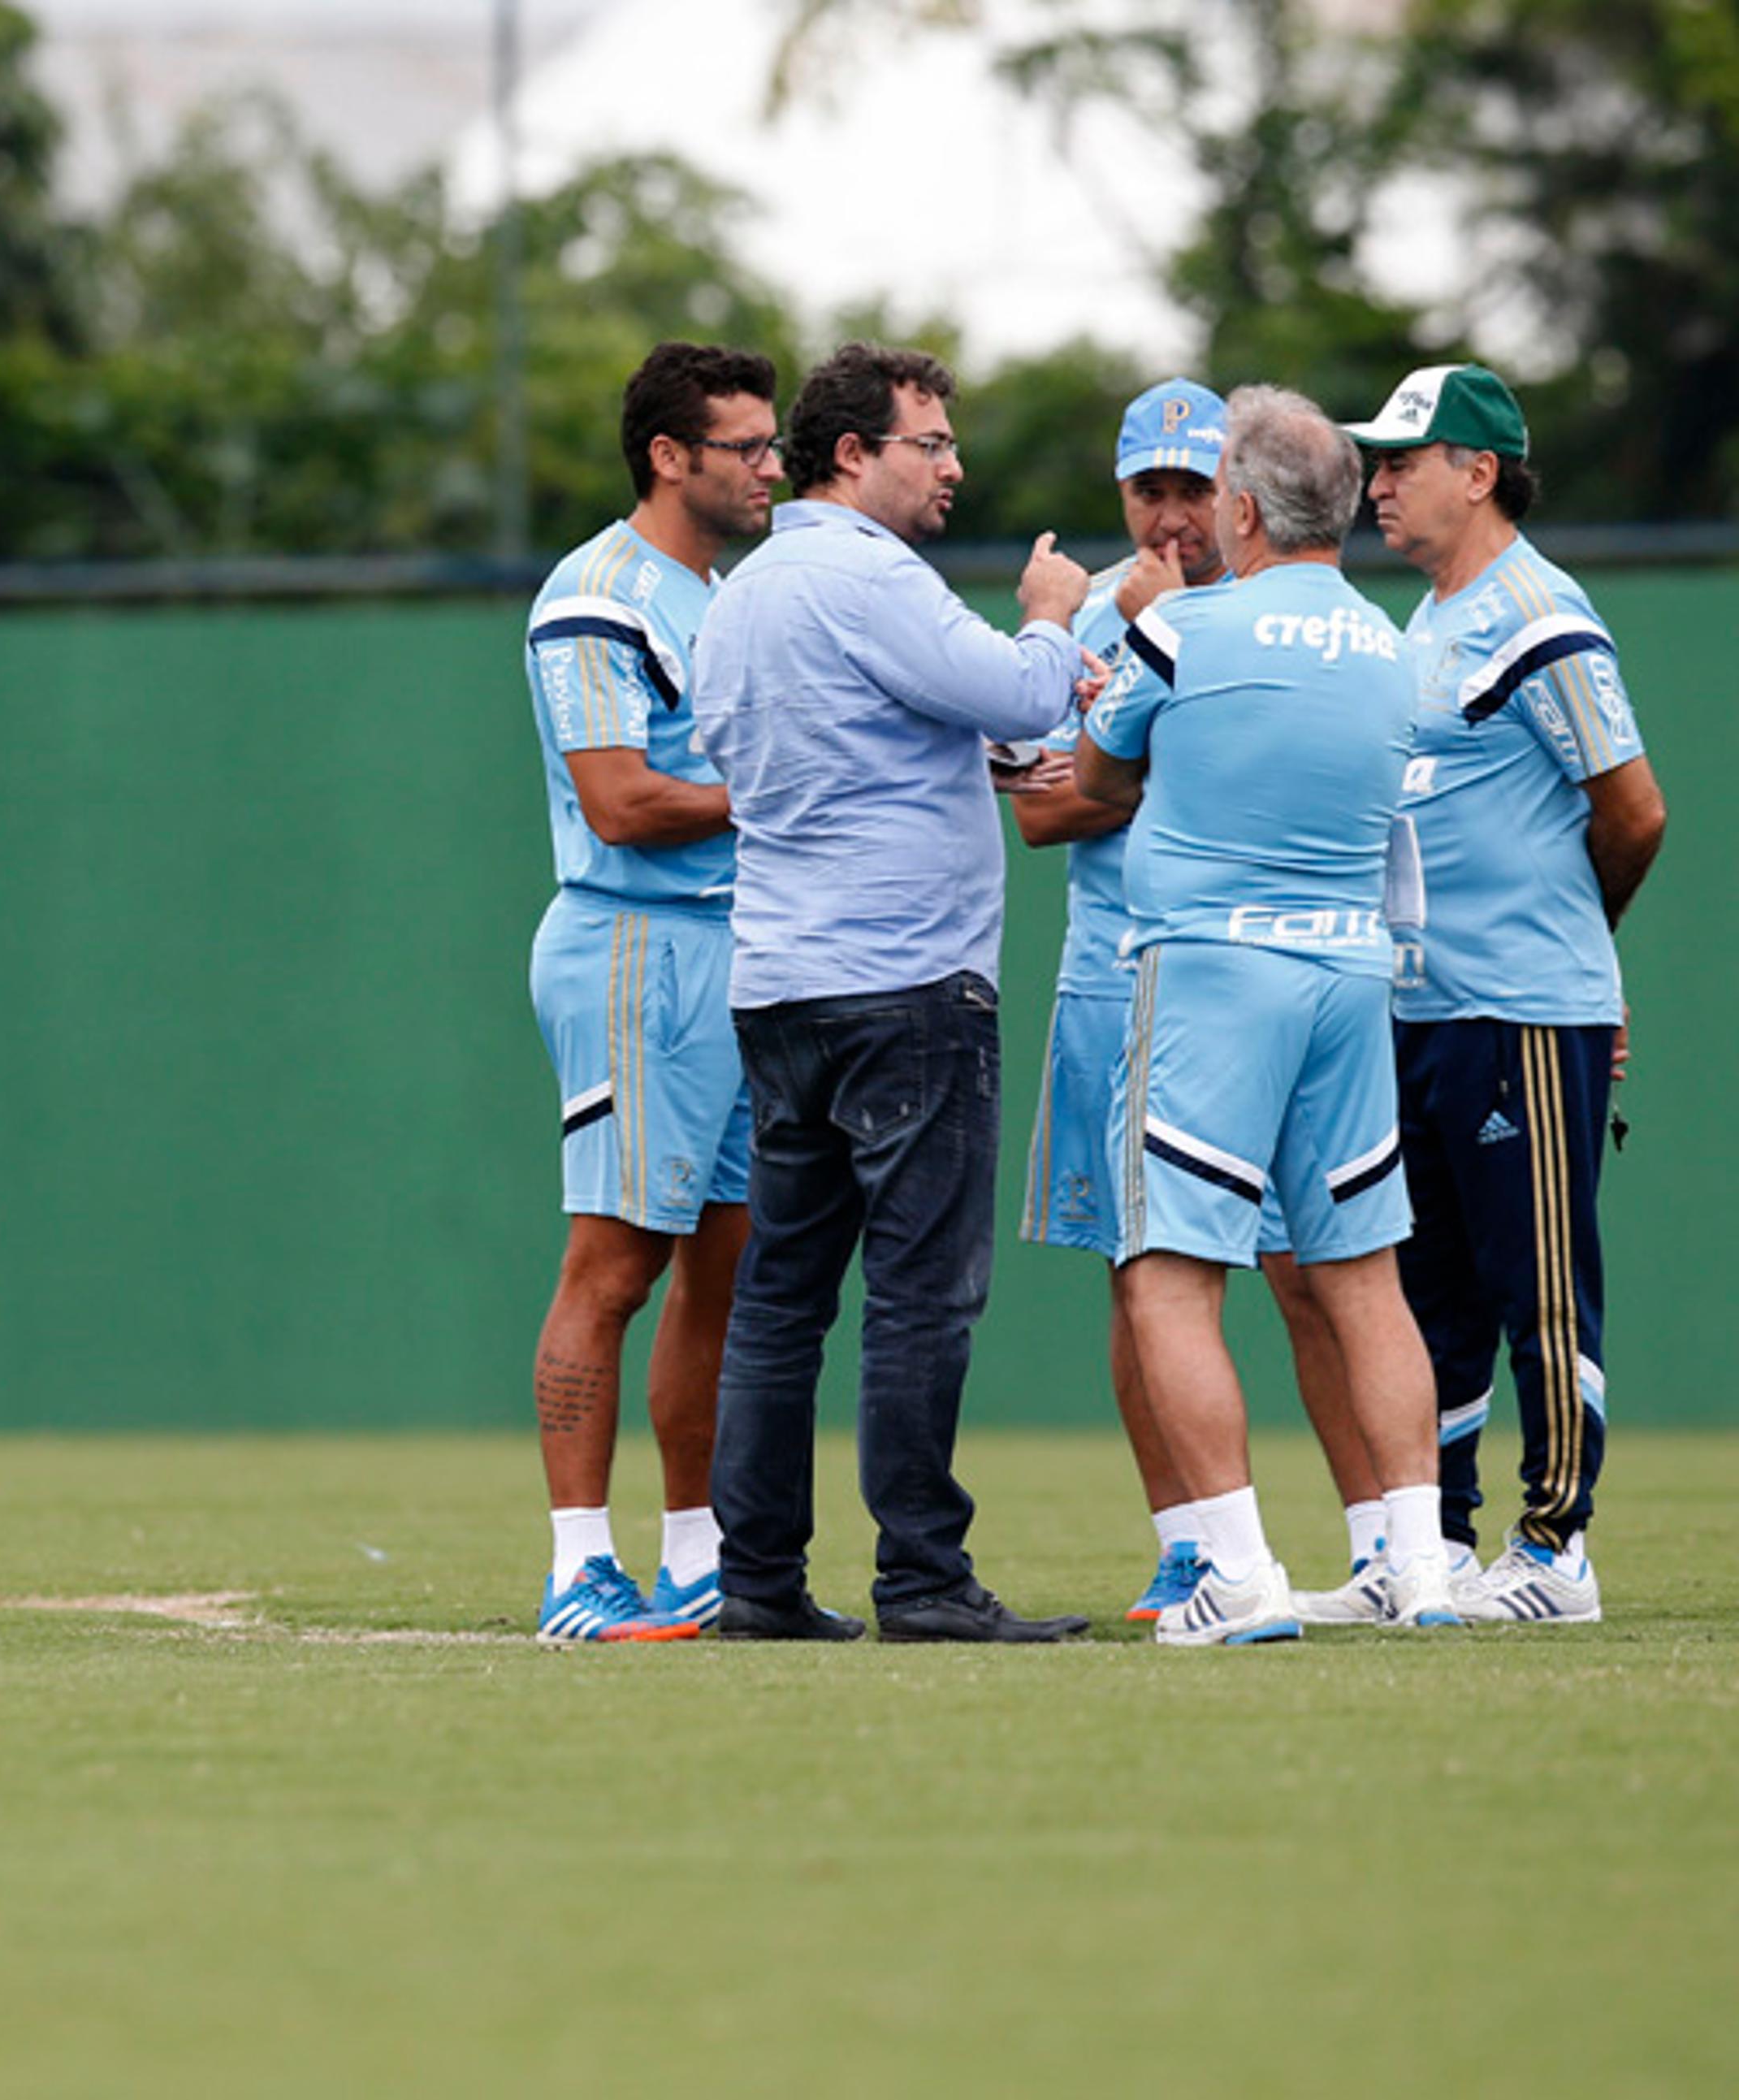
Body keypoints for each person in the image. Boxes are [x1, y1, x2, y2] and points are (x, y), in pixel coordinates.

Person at [682, 340, 1095, 1644]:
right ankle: (921, 1578)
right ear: (852, 453)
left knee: (781, 1295)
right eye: (931, 442)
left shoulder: (739, 593)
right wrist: (1051, 608)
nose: (954, 465)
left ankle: (757, 1584)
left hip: (780, 984)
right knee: (923, 1292)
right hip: (908, 981)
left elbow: (760, 749)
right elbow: (1028, 693)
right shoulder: (872, 574)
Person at [1078, 383, 1457, 1645]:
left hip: (1207, 973)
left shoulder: (1186, 632)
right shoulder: (1397, 648)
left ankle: (1234, 1574)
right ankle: (1420, 1562)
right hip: (1351, 973)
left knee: (1168, 1275)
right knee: (1363, 1276)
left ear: (1239, 505)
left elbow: (1095, 773)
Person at [1008, 380, 1370, 1624]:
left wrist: (1153, 761)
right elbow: (1044, 807)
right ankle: (1190, 1546)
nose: (1173, 517)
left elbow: (1105, 781)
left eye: (1192, 489)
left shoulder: (1287, 608)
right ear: (1123, 492)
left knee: (1312, 1265)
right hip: (1118, 973)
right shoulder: (1106, 615)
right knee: (1142, 1265)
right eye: (1149, 490)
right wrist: (1199, 763)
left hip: (1257, 972)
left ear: (1238, 491)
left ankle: (1378, 1537)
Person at [1342, 363, 1667, 1623]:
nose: (1379, 483)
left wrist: (1577, 954)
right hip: (1423, 1007)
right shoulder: (1429, 619)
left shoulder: (1541, 611)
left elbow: (1633, 810)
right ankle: (1440, 1544)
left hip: (1522, 1004)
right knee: (1438, 1295)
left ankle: (1556, 1547)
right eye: (1375, 463)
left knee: (1540, 1281)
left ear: (1479, 472)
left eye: (1403, 461)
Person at [520, 342, 787, 1643]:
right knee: (613, 1262)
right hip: (637, 948)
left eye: (773, 442)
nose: (771, 467)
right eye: (745, 446)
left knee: (726, 1271)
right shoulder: (596, 591)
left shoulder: (725, 592)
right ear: (669, 457)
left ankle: (698, 1556)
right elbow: (621, 804)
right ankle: (580, 1562)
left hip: (739, 954)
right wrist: (789, 799)